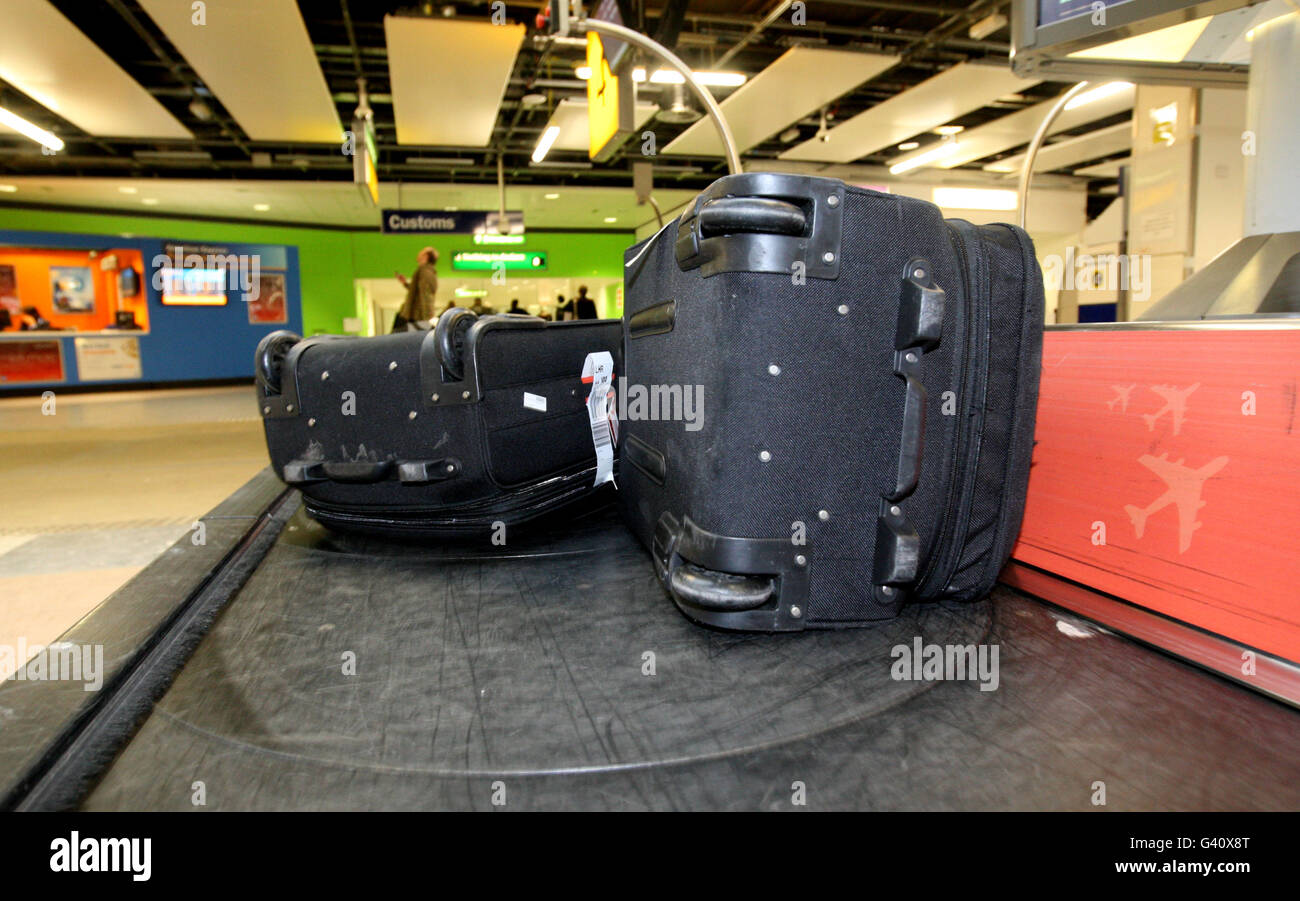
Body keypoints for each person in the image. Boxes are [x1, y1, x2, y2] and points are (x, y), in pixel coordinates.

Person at [392, 247, 439, 332]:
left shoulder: (426, 272)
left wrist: (428, 319)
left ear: (426, 256)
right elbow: (418, 291)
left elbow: (426, 294)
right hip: (413, 316)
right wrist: (405, 283)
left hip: (416, 317)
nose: (419, 253)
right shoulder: (424, 271)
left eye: (422, 251)